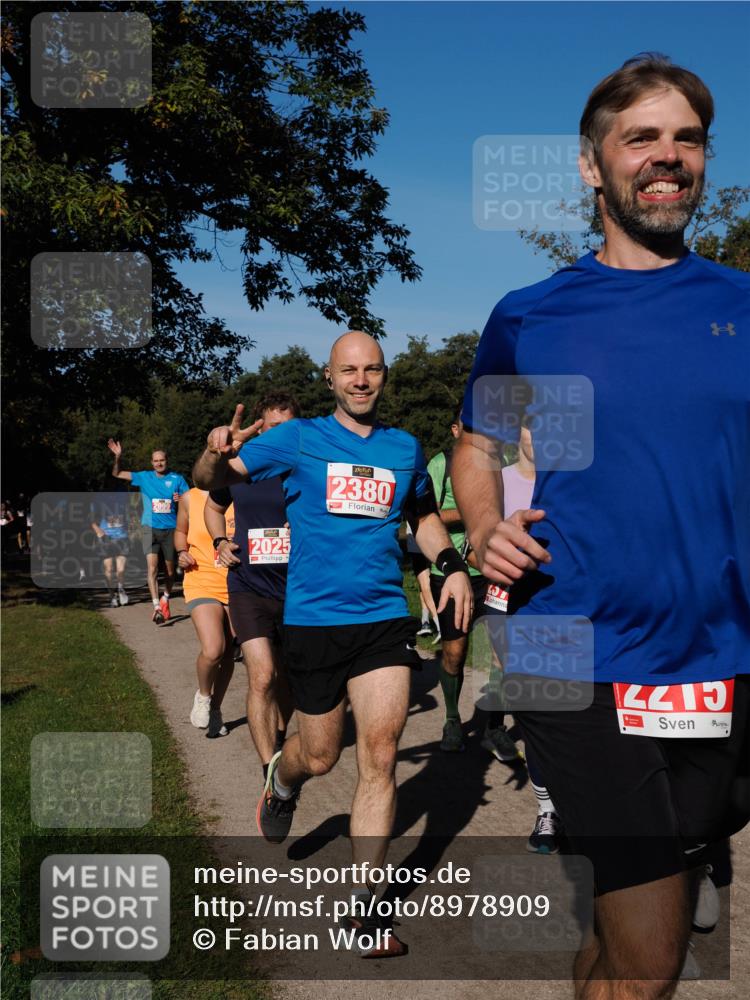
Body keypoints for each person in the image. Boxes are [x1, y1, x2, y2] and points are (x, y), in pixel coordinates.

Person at [453, 55, 750, 997]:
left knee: (627, 942)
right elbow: (473, 442)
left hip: (720, 652)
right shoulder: (533, 316)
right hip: (564, 643)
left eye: (687, 138)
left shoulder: (741, 307)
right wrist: (484, 522)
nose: (667, 158)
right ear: (593, 166)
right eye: (641, 139)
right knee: (658, 959)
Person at [193, 331, 473, 958]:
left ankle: (364, 913)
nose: (362, 380)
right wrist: (215, 452)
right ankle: (282, 782)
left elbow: (422, 517)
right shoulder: (296, 438)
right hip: (315, 622)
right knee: (318, 755)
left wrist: (451, 562)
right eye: (349, 370)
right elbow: (213, 481)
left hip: (381, 619)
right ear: (330, 377)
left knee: (380, 754)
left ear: (384, 375)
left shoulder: (405, 448)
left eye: (372, 369)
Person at [204, 392, 299, 782]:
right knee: (262, 675)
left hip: (298, 590)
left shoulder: (306, 465)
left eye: (290, 427)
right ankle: (270, 770)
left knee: (288, 681)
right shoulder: (242, 466)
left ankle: (277, 731)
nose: (282, 434)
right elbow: (212, 505)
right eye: (274, 426)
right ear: (260, 427)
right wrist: (219, 542)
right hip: (247, 585)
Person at [429, 406, 520, 762]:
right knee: (455, 652)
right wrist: (472, 511)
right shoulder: (440, 464)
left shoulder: (499, 463)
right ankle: (453, 719)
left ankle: (494, 726)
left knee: (503, 653)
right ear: (455, 430)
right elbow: (428, 515)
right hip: (452, 574)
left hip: (491, 570)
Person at [175, 488, 236, 739]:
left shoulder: (242, 493)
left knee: (230, 652)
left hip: (237, 583)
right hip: (200, 579)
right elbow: (180, 532)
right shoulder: (191, 497)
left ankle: (216, 710)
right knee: (214, 649)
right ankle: (203, 696)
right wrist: (181, 552)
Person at [108, 440, 189, 623]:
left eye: (162, 460)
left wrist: (181, 499)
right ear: (151, 463)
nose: (159, 463)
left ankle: (165, 598)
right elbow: (117, 473)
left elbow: (189, 500)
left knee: (170, 572)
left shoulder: (177, 479)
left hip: (170, 530)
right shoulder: (144, 477)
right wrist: (118, 457)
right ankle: (156, 607)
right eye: (156, 461)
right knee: (151, 568)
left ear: (167, 461)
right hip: (149, 528)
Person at [90, 488, 131, 607]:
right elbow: (91, 519)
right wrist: (98, 531)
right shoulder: (98, 498)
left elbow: (129, 512)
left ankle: (121, 590)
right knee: (108, 569)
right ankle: (112, 596)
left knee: (121, 569)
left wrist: (128, 528)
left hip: (122, 537)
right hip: (106, 538)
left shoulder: (123, 495)